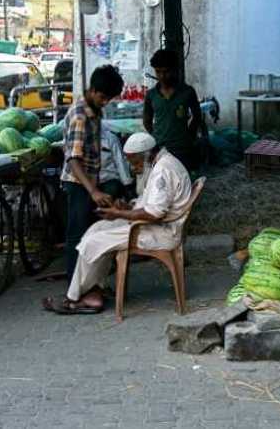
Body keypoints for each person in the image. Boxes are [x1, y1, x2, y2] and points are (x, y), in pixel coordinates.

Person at [43, 132, 192, 314]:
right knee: (97, 229)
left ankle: (75, 298)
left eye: (135, 162)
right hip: (156, 226)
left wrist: (120, 213)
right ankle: (94, 290)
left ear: (146, 155)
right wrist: (127, 207)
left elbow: (155, 213)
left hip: (162, 232)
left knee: (93, 241)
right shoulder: (160, 162)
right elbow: (152, 202)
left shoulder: (163, 170)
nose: (134, 167)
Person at [60, 64, 125, 282]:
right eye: (103, 97)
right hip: (78, 181)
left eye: (110, 99)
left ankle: (90, 283)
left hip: (90, 180)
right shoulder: (80, 116)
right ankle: (74, 288)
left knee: (92, 233)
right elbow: (73, 160)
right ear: (93, 90)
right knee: (77, 235)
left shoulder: (95, 111)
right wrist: (94, 191)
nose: (106, 103)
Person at [142, 49, 207, 172]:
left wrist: (189, 136)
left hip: (182, 150)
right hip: (159, 149)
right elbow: (146, 121)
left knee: (182, 183)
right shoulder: (151, 95)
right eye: (158, 72)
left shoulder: (188, 92)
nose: (162, 76)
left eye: (166, 72)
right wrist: (157, 136)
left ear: (174, 70)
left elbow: (197, 116)